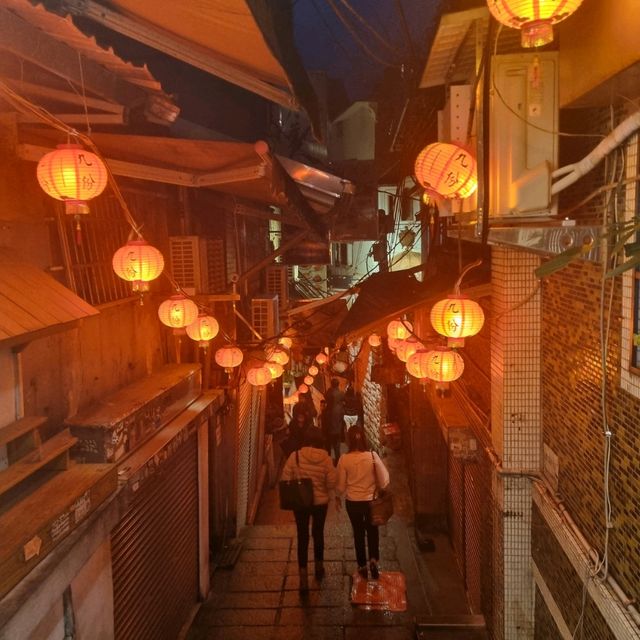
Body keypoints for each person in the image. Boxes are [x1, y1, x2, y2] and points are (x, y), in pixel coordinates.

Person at [281, 428, 337, 592]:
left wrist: (299, 480)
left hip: (301, 502)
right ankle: (319, 567)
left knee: (302, 536)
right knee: (318, 534)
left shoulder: (295, 456)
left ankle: (303, 577)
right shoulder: (326, 459)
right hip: (320, 504)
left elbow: (285, 478)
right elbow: (332, 483)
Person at [336, 426, 390, 581]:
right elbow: (385, 479)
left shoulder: (344, 459)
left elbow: (340, 486)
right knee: (373, 531)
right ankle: (374, 560)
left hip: (353, 503)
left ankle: (362, 565)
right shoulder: (372, 456)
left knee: (358, 533)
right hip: (371, 502)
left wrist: (337, 496)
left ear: (348, 441)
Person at [324, 378, 345, 464]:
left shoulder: (329, 394)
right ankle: (337, 459)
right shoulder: (341, 394)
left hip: (329, 424)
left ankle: (328, 458)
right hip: (338, 423)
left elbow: (325, 396)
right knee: (337, 443)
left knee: (328, 442)